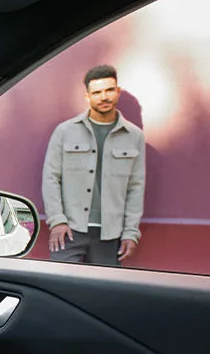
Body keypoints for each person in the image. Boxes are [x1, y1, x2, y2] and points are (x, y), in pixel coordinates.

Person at [41, 64, 146, 265]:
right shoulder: (65, 132)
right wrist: (57, 221)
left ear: (118, 92)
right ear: (88, 97)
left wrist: (131, 233)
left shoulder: (134, 136)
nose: (104, 97)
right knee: (58, 284)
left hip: (110, 234)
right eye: (97, 92)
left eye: (109, 90)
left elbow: (136, 187)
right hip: (69, 229)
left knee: (104, 292)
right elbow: (51, 178)